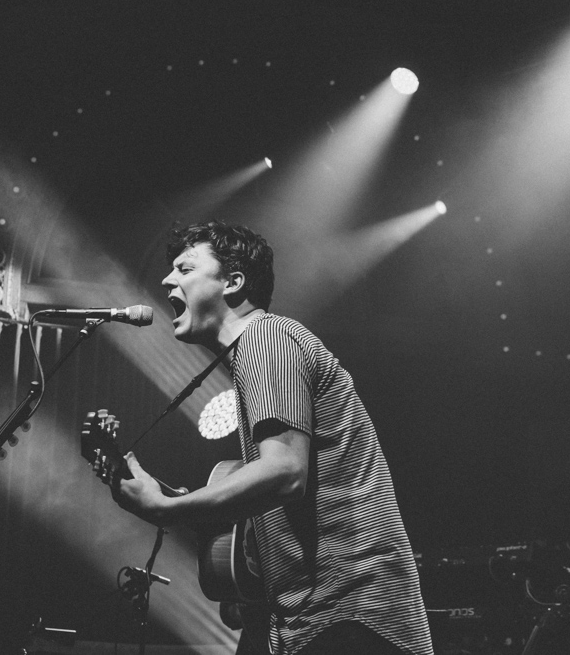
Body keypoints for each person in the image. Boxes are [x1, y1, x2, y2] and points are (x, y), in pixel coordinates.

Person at [112, 221, 434, 655]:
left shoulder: (266, 338)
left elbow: (284, 473)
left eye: (185, 269)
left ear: (233, 282)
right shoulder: (259, 350)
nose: (168, 280)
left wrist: (167, 509)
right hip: (324, 617)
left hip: (350, 613)